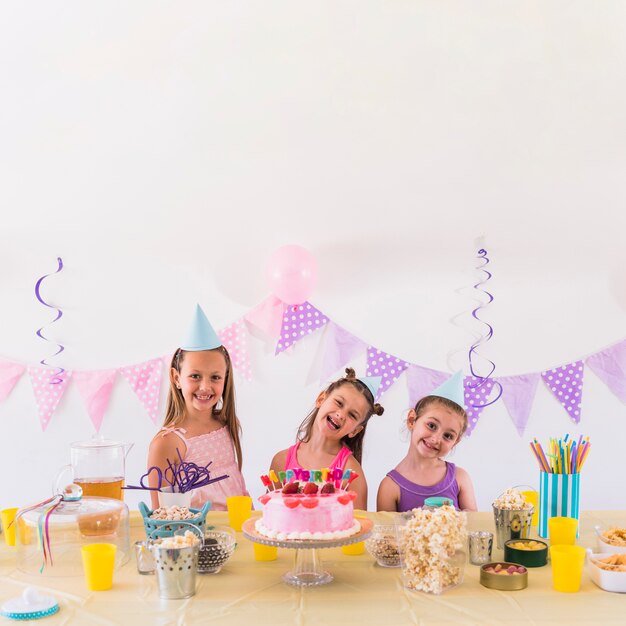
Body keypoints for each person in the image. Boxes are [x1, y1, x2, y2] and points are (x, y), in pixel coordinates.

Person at [147, 305, 249, 510]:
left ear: (225, 378)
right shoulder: (167, 443)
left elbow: (238, 490)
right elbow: (162, 516)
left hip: (237, 531)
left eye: (215, 377)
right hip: (196, 538)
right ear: (177, 378)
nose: (205, 387)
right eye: (195, 376)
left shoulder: (227, 424)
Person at [270, 368, 384, 510]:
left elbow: (357, 525)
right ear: (321, 399)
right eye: (339, 403)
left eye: (352, 415)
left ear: (355, 430)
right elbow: (270, 517)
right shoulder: (281, 461)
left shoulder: (351, 473)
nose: (341, 414)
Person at [377, 371, 477, 512]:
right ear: (412, 420)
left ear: (455, 442)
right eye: (431, 426)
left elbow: (474, 526)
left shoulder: (460, 479)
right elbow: (386, 534)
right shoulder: (390, 487)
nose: (436, 439)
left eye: (448, 436)